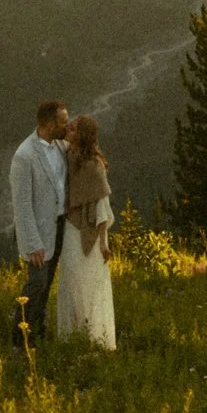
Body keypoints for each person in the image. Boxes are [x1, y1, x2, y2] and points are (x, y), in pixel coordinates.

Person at [9, 98, 68, 349]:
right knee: (36, 283)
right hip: (37, 235)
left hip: (58, 226)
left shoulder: (60, 146)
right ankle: (19, 338)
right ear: (50, 123)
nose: (67, 124)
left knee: (47, 283)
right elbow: (21, 205)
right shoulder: (24, 156)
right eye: (63, 121)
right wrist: (33, 243)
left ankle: (38, 331)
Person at [57, 114, 116, 349]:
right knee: (70, 281)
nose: (69, 128)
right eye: (69, 125)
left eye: (74, 127)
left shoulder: (93, 165)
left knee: (90, 284)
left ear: (82, 134)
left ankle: (95, 337)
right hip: (71, 230)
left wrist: (103, 243)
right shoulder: (67, 156)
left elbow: (102, 206)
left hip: (89, 233)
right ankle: (71, 337)